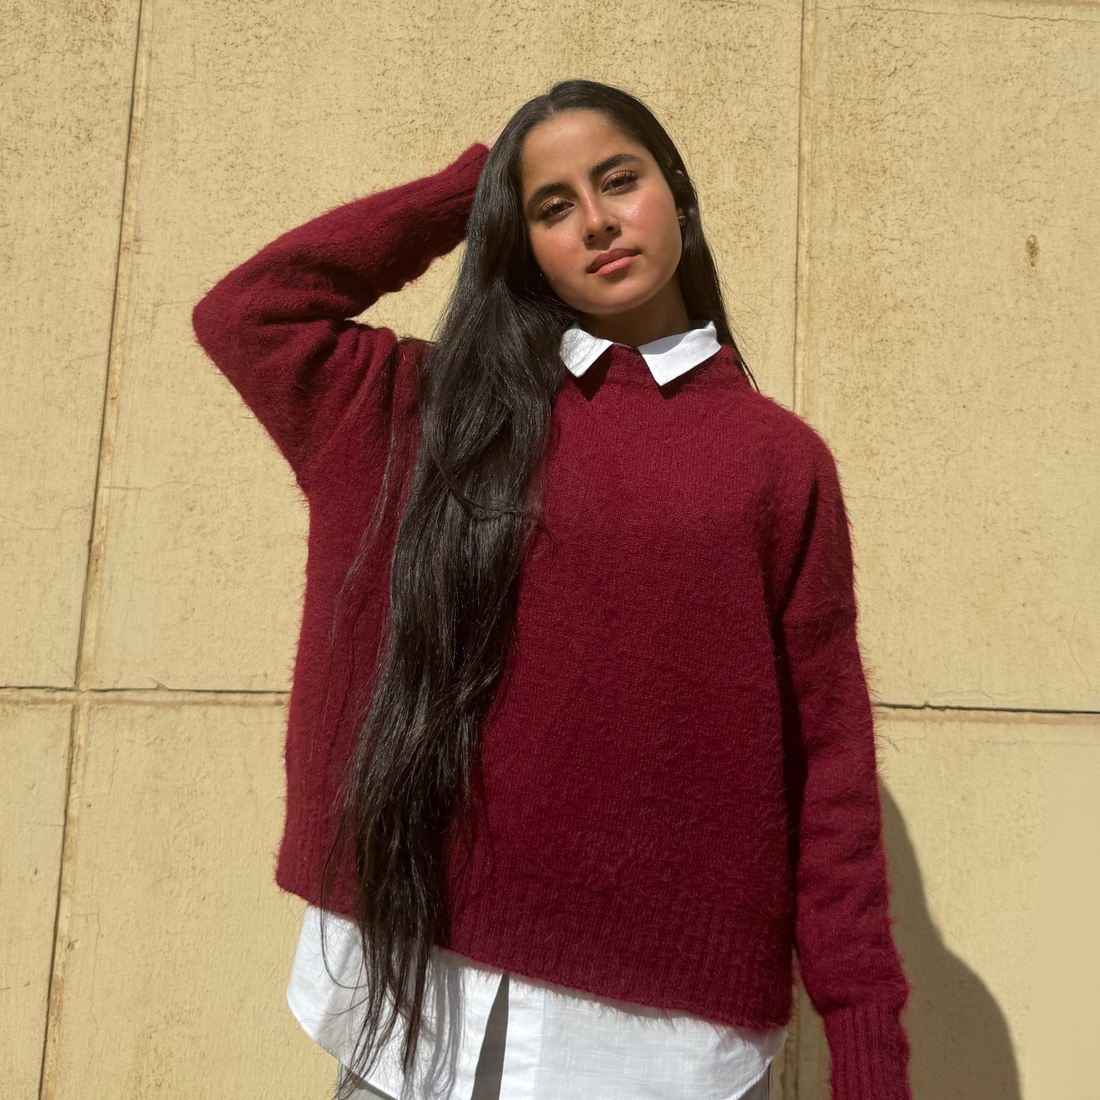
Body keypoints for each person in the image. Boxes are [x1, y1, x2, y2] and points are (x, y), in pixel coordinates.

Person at [191, 79, 913, 1100]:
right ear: (518, 240)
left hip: (652, 1043)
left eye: (617, 181)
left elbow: (826, 766)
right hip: (416, 1003)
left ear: (674, 191)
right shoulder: (426, 412)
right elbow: (249, 313)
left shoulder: (774, 463)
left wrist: (866, 1044)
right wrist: (462, 190)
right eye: (549, 205)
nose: (596, 221)